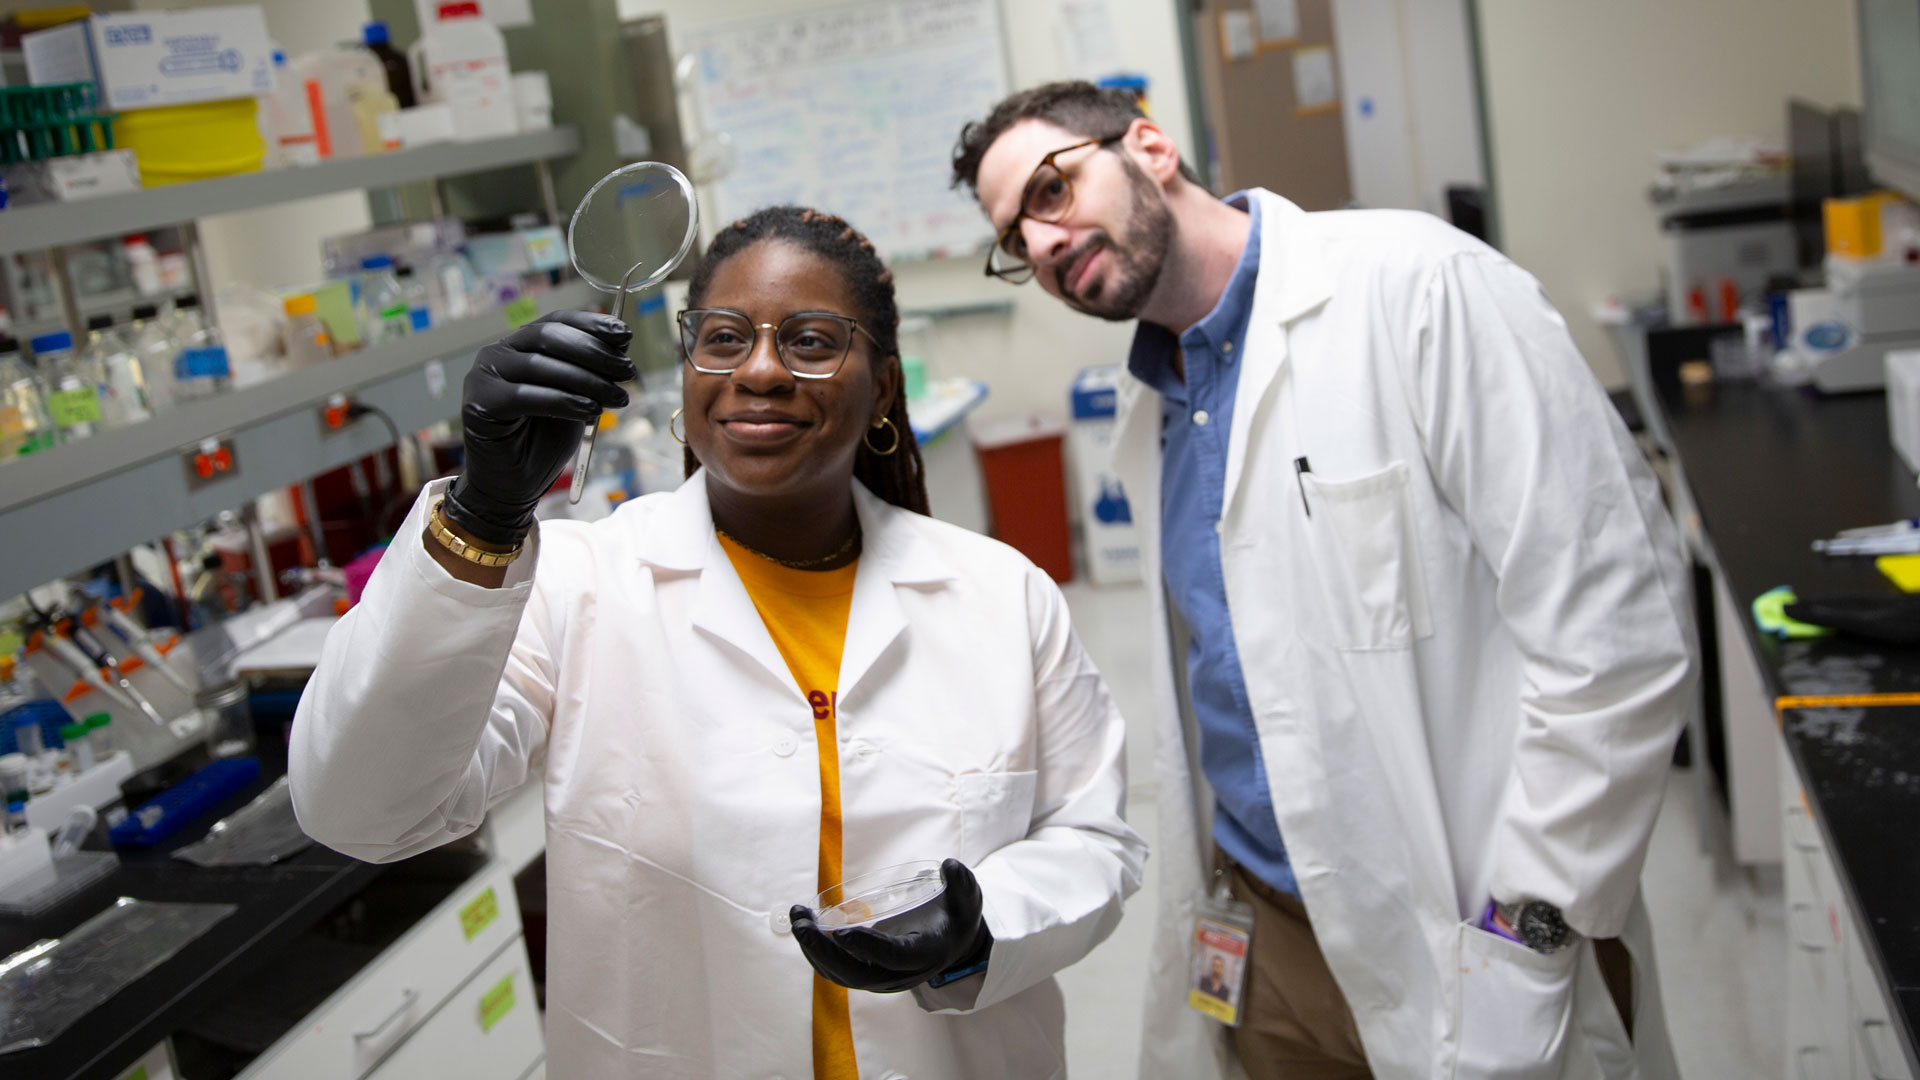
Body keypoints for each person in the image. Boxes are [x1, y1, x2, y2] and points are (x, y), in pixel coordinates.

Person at [290, 205, 1146, 1079]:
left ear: (882, 386)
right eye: (725, 338)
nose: (762, 370)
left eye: (812, 341)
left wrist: (980, 926)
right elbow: (361, 811)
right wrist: (480, 514)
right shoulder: (580, 588)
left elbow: (1096, 841)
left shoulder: (1001, 596)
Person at [950, 82, 1696, 1080]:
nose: (1039, 243)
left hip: (1473, 943)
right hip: (1267, 949)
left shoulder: (1417, 285)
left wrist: (1528, 936)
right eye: (1014, 237)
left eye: (1050, 189)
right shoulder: (1155, 413)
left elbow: (1619, 634)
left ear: (1150, 147)